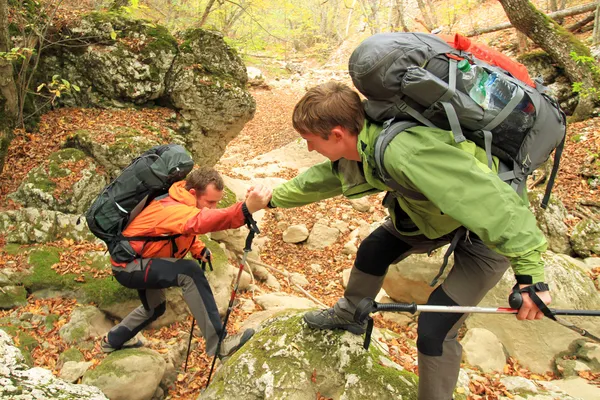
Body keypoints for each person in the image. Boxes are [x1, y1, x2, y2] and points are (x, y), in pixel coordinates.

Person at [268, 81, 551, 400]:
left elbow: (495, 204)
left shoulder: (406, 152)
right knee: (375, 248)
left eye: (309, 140)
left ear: (336, 134)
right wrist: (272, 199)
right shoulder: (364, 144)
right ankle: (350, 314)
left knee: (435, 328)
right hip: (430, 216)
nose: (307, 148)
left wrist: (531, 279)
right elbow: (325, 179)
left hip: (485, 233)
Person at [102, 168, 272, 360]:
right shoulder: (170, 207)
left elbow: (181, 230)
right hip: (130, 266)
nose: (214, 207)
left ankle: (113, 340)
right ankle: (219, 345)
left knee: (155, 308)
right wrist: (245, 208)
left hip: (141, 260)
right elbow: (198, 222)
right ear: (193, 193)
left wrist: (198, 249)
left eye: (216, 202)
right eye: (210, 202)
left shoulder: (180, 199)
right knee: (189, 272)